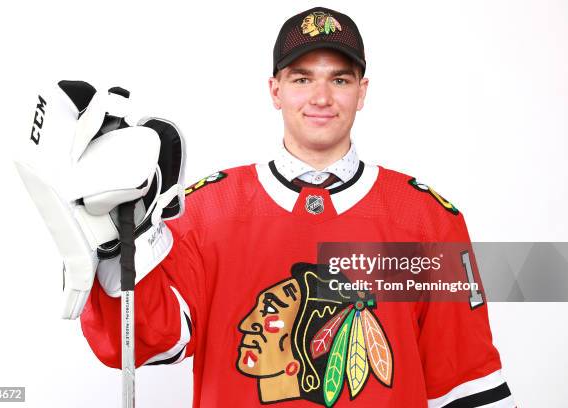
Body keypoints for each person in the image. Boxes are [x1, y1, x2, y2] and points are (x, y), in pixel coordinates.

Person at [78, 7, 515, 408]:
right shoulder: (205, 212)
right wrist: (116, 243)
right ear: (276, 89)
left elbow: (465, 385)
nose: (321, 97)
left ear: (362, 92)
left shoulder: (425, 221)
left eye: (339, 80)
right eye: (302, 79)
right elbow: (145, 341)